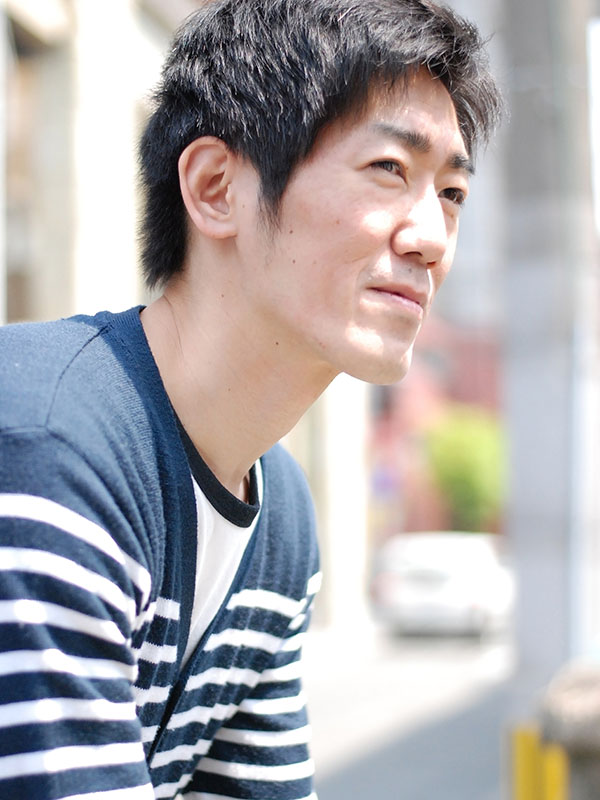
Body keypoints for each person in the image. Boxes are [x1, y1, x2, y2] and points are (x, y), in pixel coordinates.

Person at [0, 1, 501, 798]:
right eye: (389, 169)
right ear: (215, 188)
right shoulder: (49, 451)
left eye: (451, 193)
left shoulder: (281, 517)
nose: (432, 239)